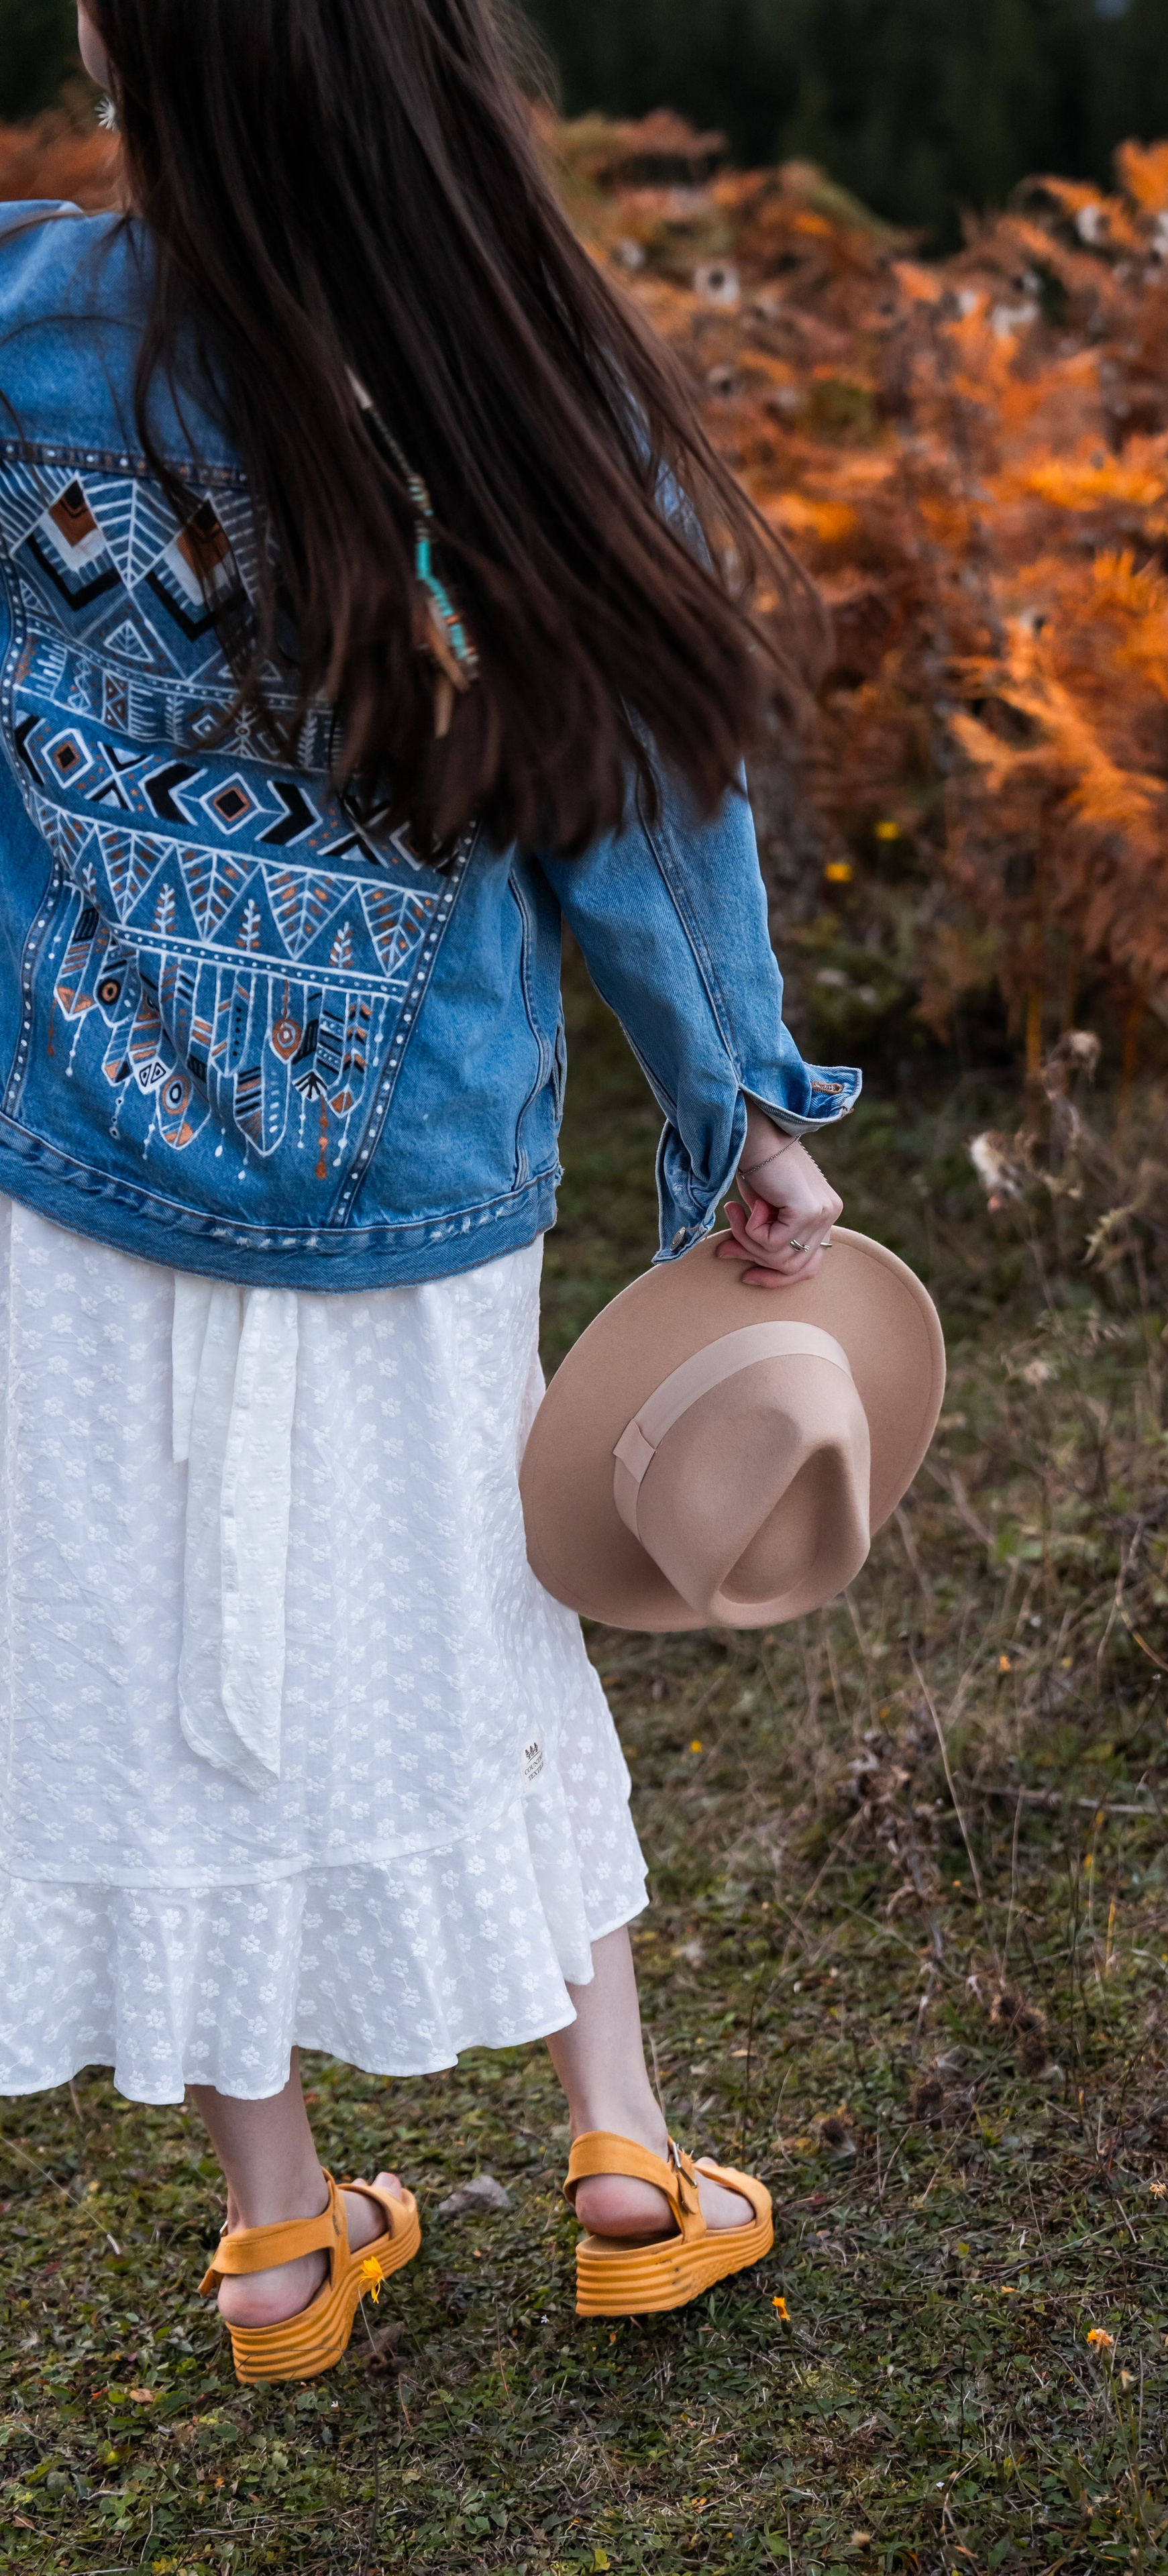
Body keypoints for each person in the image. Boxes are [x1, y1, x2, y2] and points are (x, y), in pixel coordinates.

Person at [0, 0, 856, 2381]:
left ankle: (283, 2251)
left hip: (72, 1173)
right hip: (412, 1190)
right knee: (492, 1640)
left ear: (124, 49)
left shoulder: (24, 331)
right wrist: (743, 1119)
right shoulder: (509, 375)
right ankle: (623, 2161)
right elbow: (643, 817)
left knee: (146, 1667)